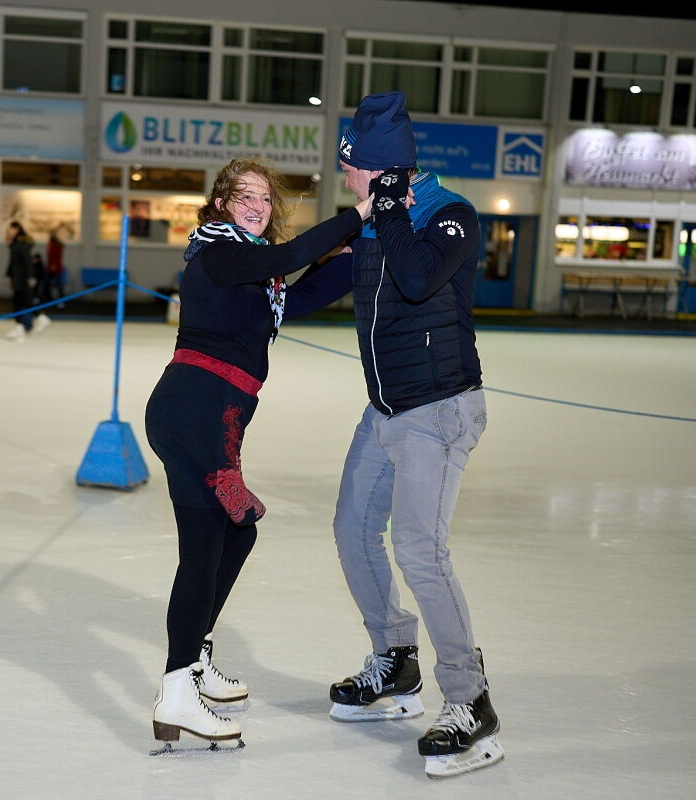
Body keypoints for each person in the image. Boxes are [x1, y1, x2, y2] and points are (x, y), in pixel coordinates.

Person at [145, 157, 372, 751]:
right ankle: (177, 690)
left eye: (265, 199)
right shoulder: (217, 254)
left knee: (236, 533)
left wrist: (357, 254)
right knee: (203, 551)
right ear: (221, 203)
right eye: (243, 196)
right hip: (196, 414)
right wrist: (359, 213)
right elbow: (287, 259)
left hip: (207, 417)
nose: (256, 206)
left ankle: (193, 662)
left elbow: (297, 295)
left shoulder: (254, 278)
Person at [322, 91, 501, 779]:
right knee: (352, 529)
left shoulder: (450, 213)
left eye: (351, 165)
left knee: (421, 552)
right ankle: (396, 659)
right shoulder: (376, 220)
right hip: (386, 409)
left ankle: (469, 698)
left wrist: (394, 209)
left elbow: (421, 279)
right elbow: (329, 279)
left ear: (380, 169)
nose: (344, 175)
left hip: (440, 407)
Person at [3, 221, 50, 340]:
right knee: (22, 302)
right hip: (18, 278)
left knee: (21, 302)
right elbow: (12, 262)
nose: (9, 232)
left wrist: (31, 277)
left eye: (10, 230)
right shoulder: (15, 244)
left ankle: (36, 319)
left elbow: (27, 262)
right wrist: (8, 275)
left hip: (22, 279)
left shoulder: (21, 244)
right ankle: (25, 324)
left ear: (17, 229)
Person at [39, 226, 66, 308]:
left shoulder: (55, 245)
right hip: (51, 268)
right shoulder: (52, 245)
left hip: (55, 268)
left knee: (57, 285)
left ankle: (61, 301)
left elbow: (55, 257)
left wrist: (53, 266)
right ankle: (47, 299)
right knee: (47, 284)